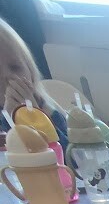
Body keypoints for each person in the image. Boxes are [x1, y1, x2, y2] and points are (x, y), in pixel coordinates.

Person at [0, 18, 67, 150]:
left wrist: (37, 119)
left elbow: (71, 156)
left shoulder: (49, 112)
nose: (7, 76)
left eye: (15, 67)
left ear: (30, 71)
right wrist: (8, 120)